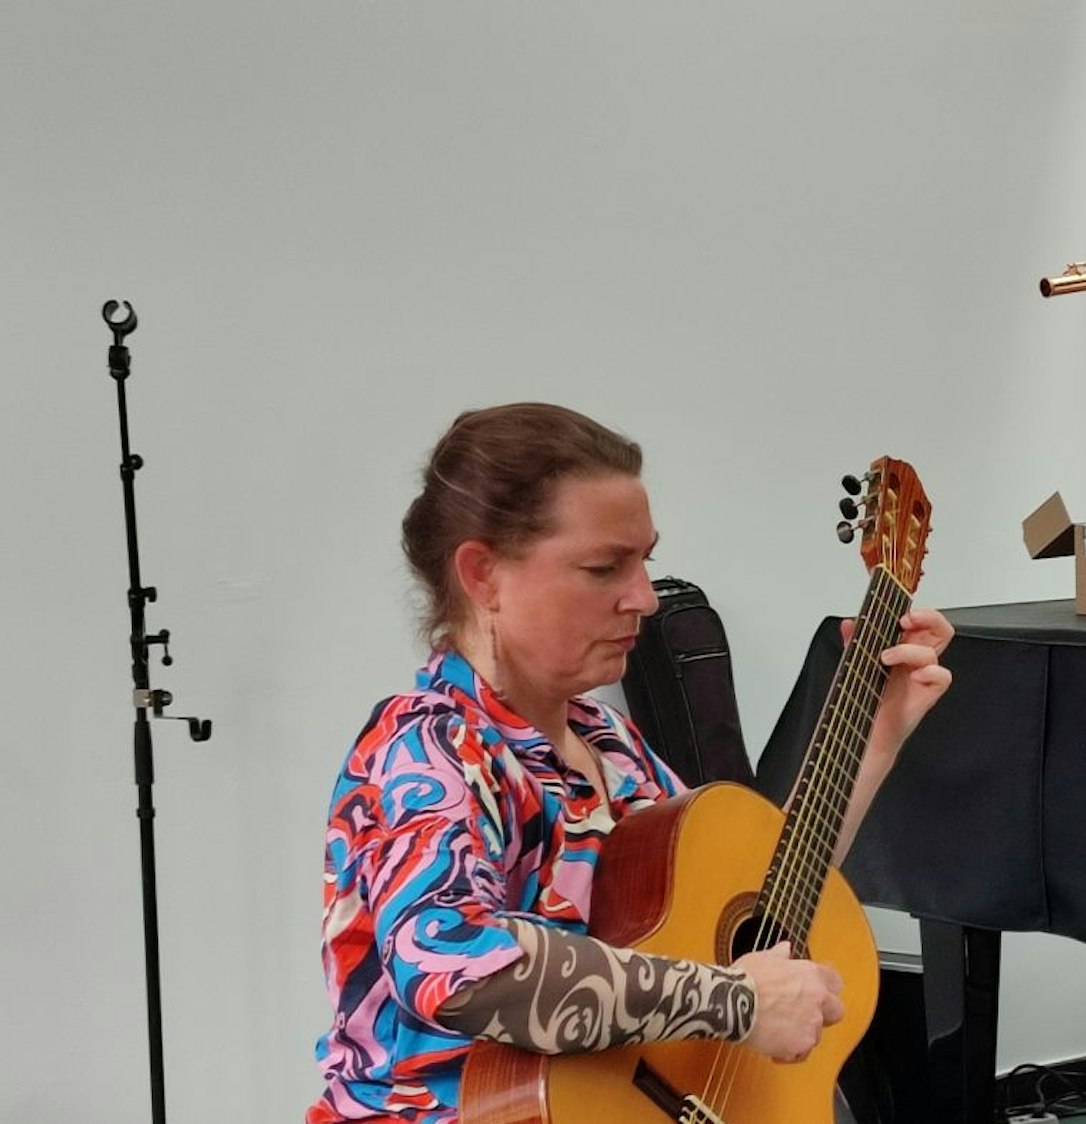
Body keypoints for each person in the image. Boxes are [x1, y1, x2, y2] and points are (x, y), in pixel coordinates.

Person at [308, 402, 953, 1124]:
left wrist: (878, 740)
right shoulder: (425, 747)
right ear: (483, 574)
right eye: (602, 567)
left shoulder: (608, 743)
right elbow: (452, 963)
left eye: (645, 560)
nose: (643, 597)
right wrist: (735, 1003)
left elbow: (759, 898)